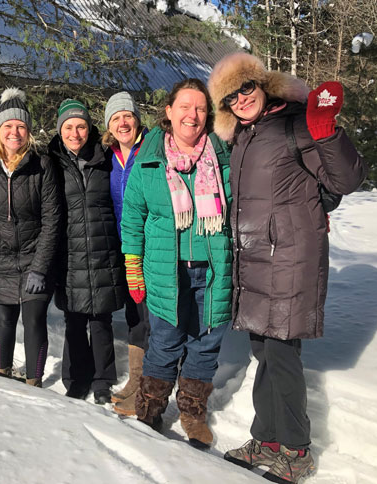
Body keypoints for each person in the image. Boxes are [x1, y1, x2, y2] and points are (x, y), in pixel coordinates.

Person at [207, 52, 367, 482]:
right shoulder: (243, 137)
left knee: (281, 355)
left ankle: (296, 450)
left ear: (262, 84)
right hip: (256, 261)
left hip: (289, 260)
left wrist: (326, 132)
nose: (240, 100)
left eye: (246, 87)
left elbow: (347, 180)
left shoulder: (296, 124)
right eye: (229, 98)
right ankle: (267, 438)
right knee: (264, 351)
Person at [121, 78, 233, 449]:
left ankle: (192, 412)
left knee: (205, 342)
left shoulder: (223, 160)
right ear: (169, 112)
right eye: (184, 107)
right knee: (166, 342)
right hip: (164, 269)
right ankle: (150, 411)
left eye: (200, 108)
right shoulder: (149, 162)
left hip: (212, 270)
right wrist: (133, 268)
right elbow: (133, 218)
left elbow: (238, 214)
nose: (193, 115)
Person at [0, 88, 61, 387]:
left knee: (34, 320)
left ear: (29, 131)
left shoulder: (42, 165)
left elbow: (52, 220)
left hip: (36, 256)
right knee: (4, 320)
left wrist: (40, 267)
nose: (15, 132)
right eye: (8, 126)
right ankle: (3, 375)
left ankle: (34, 382)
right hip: (0, 259)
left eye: (21, 126)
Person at [48, 98, 126, 404]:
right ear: (60, 130)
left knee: (101, 320)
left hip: (103, 247)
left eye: (81, 126)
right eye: (68, 127)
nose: (75, 133)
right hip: (69, 253)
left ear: (89, 128)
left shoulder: (105, 158)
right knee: (75, 320)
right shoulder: (50, 161)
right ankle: (76, 378)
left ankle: (103, 379)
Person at [101, 92, 150, 416]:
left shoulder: (151, 150)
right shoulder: (107, 157)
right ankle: (136, 380)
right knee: (135, 313)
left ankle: (147, 388)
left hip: (151, 246)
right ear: (108, 125)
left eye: (127, 116)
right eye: (116, 118)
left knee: (148, 316)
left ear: (136, 119)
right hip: (122, 247)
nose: (123, 122)